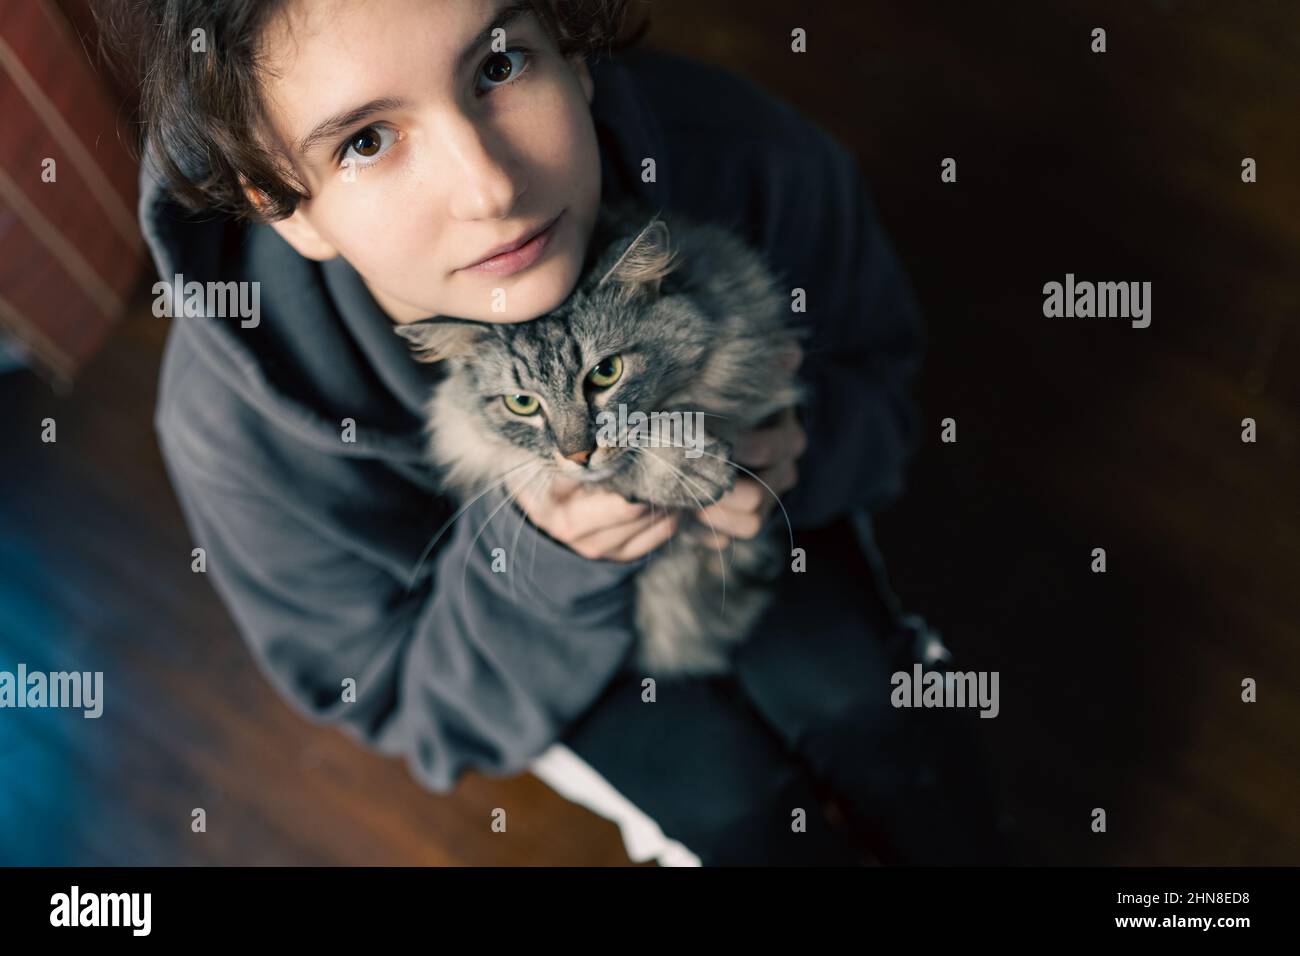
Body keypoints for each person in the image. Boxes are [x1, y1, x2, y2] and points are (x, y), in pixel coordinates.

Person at [107, 0, 1007, 864]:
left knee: (877, 710)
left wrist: (800, 446)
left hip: (771, 541)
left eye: (498, 65)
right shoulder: (225, 431)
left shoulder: (751, 158)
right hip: (520, 661)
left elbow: (884, 388)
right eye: (366, 141)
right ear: (278, 198)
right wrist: (536, 571)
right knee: (737, 805)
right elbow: (395, 698)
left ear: (571, 50)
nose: (488, 187)